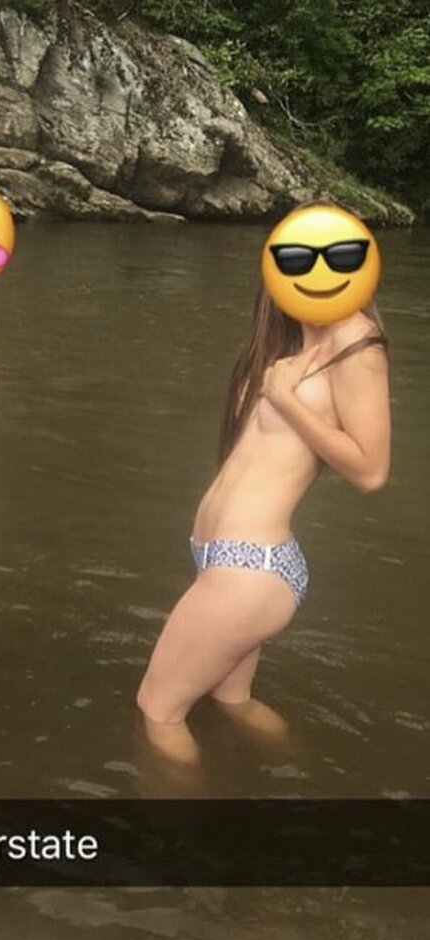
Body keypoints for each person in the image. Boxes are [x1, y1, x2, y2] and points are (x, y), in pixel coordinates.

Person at [136, 205, 391, 765]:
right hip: (224, 560)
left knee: (158, 709)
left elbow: (371, 470)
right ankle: (308, 772)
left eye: (339, 255)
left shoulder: (357, 339)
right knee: (232, 702)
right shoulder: (286, 343)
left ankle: (183, 821)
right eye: (297, 257)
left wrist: (283, 400)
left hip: (251, 567)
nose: (317, 269)